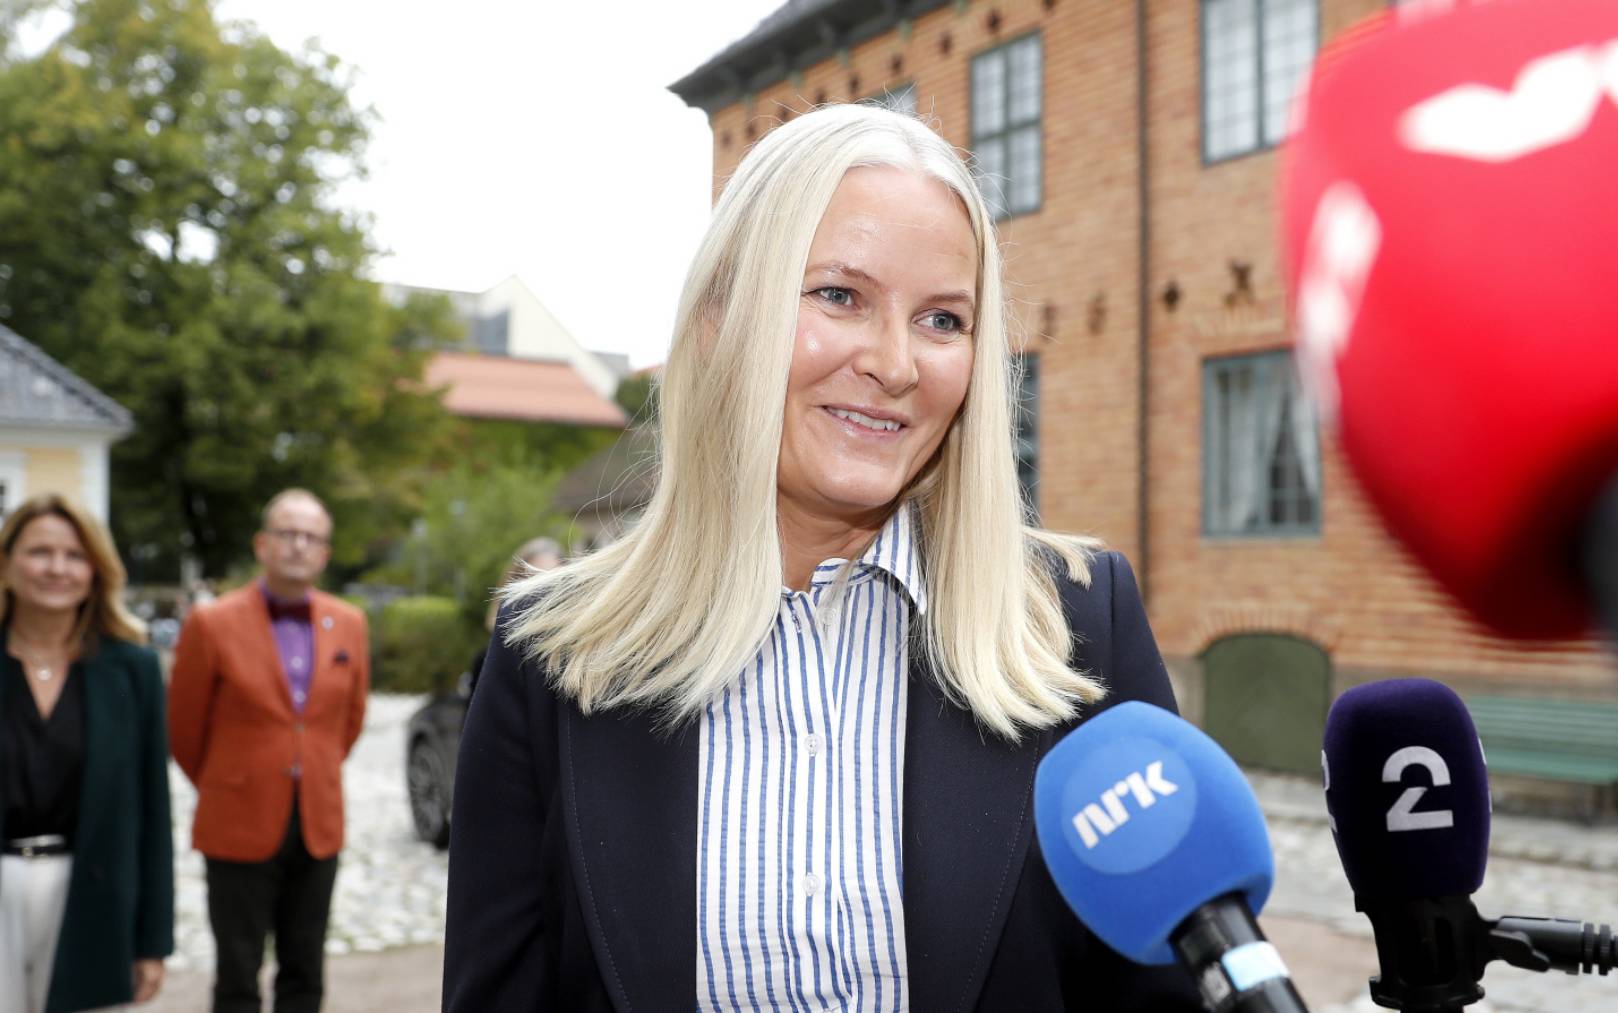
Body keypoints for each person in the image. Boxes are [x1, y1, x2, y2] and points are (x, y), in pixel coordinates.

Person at [443, 104, 1198, 1011]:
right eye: (840, 295)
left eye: (943, 319)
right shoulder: (550, 653)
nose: (895, 363)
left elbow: (1170, 982)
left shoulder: (1080, 624)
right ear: (720, 322)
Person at [167, 489, 369, 1013]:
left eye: (311, 537)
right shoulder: (212, 623)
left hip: (317, 821)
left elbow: (349, 721)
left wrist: (311, 768)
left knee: (305, 971)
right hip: (236, 818)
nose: (298, 546)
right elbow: (185, 730)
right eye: (287, 533)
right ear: (262, 544)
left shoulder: (349, 622)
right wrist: (235, 777)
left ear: (325, 553)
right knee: (237, 973)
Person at [0, 493, 173, 1012]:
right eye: (39, 552)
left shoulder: (133, 670)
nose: (57, 568)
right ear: (7, 563)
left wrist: (152, 941)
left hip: (92, 895)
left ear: (96, 572)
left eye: (75, 556)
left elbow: (153, 811)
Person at [468, 537, 562, 692]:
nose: (544, 592)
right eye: (535, 580)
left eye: (552, 580)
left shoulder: (577, 659)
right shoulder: (491, 659)